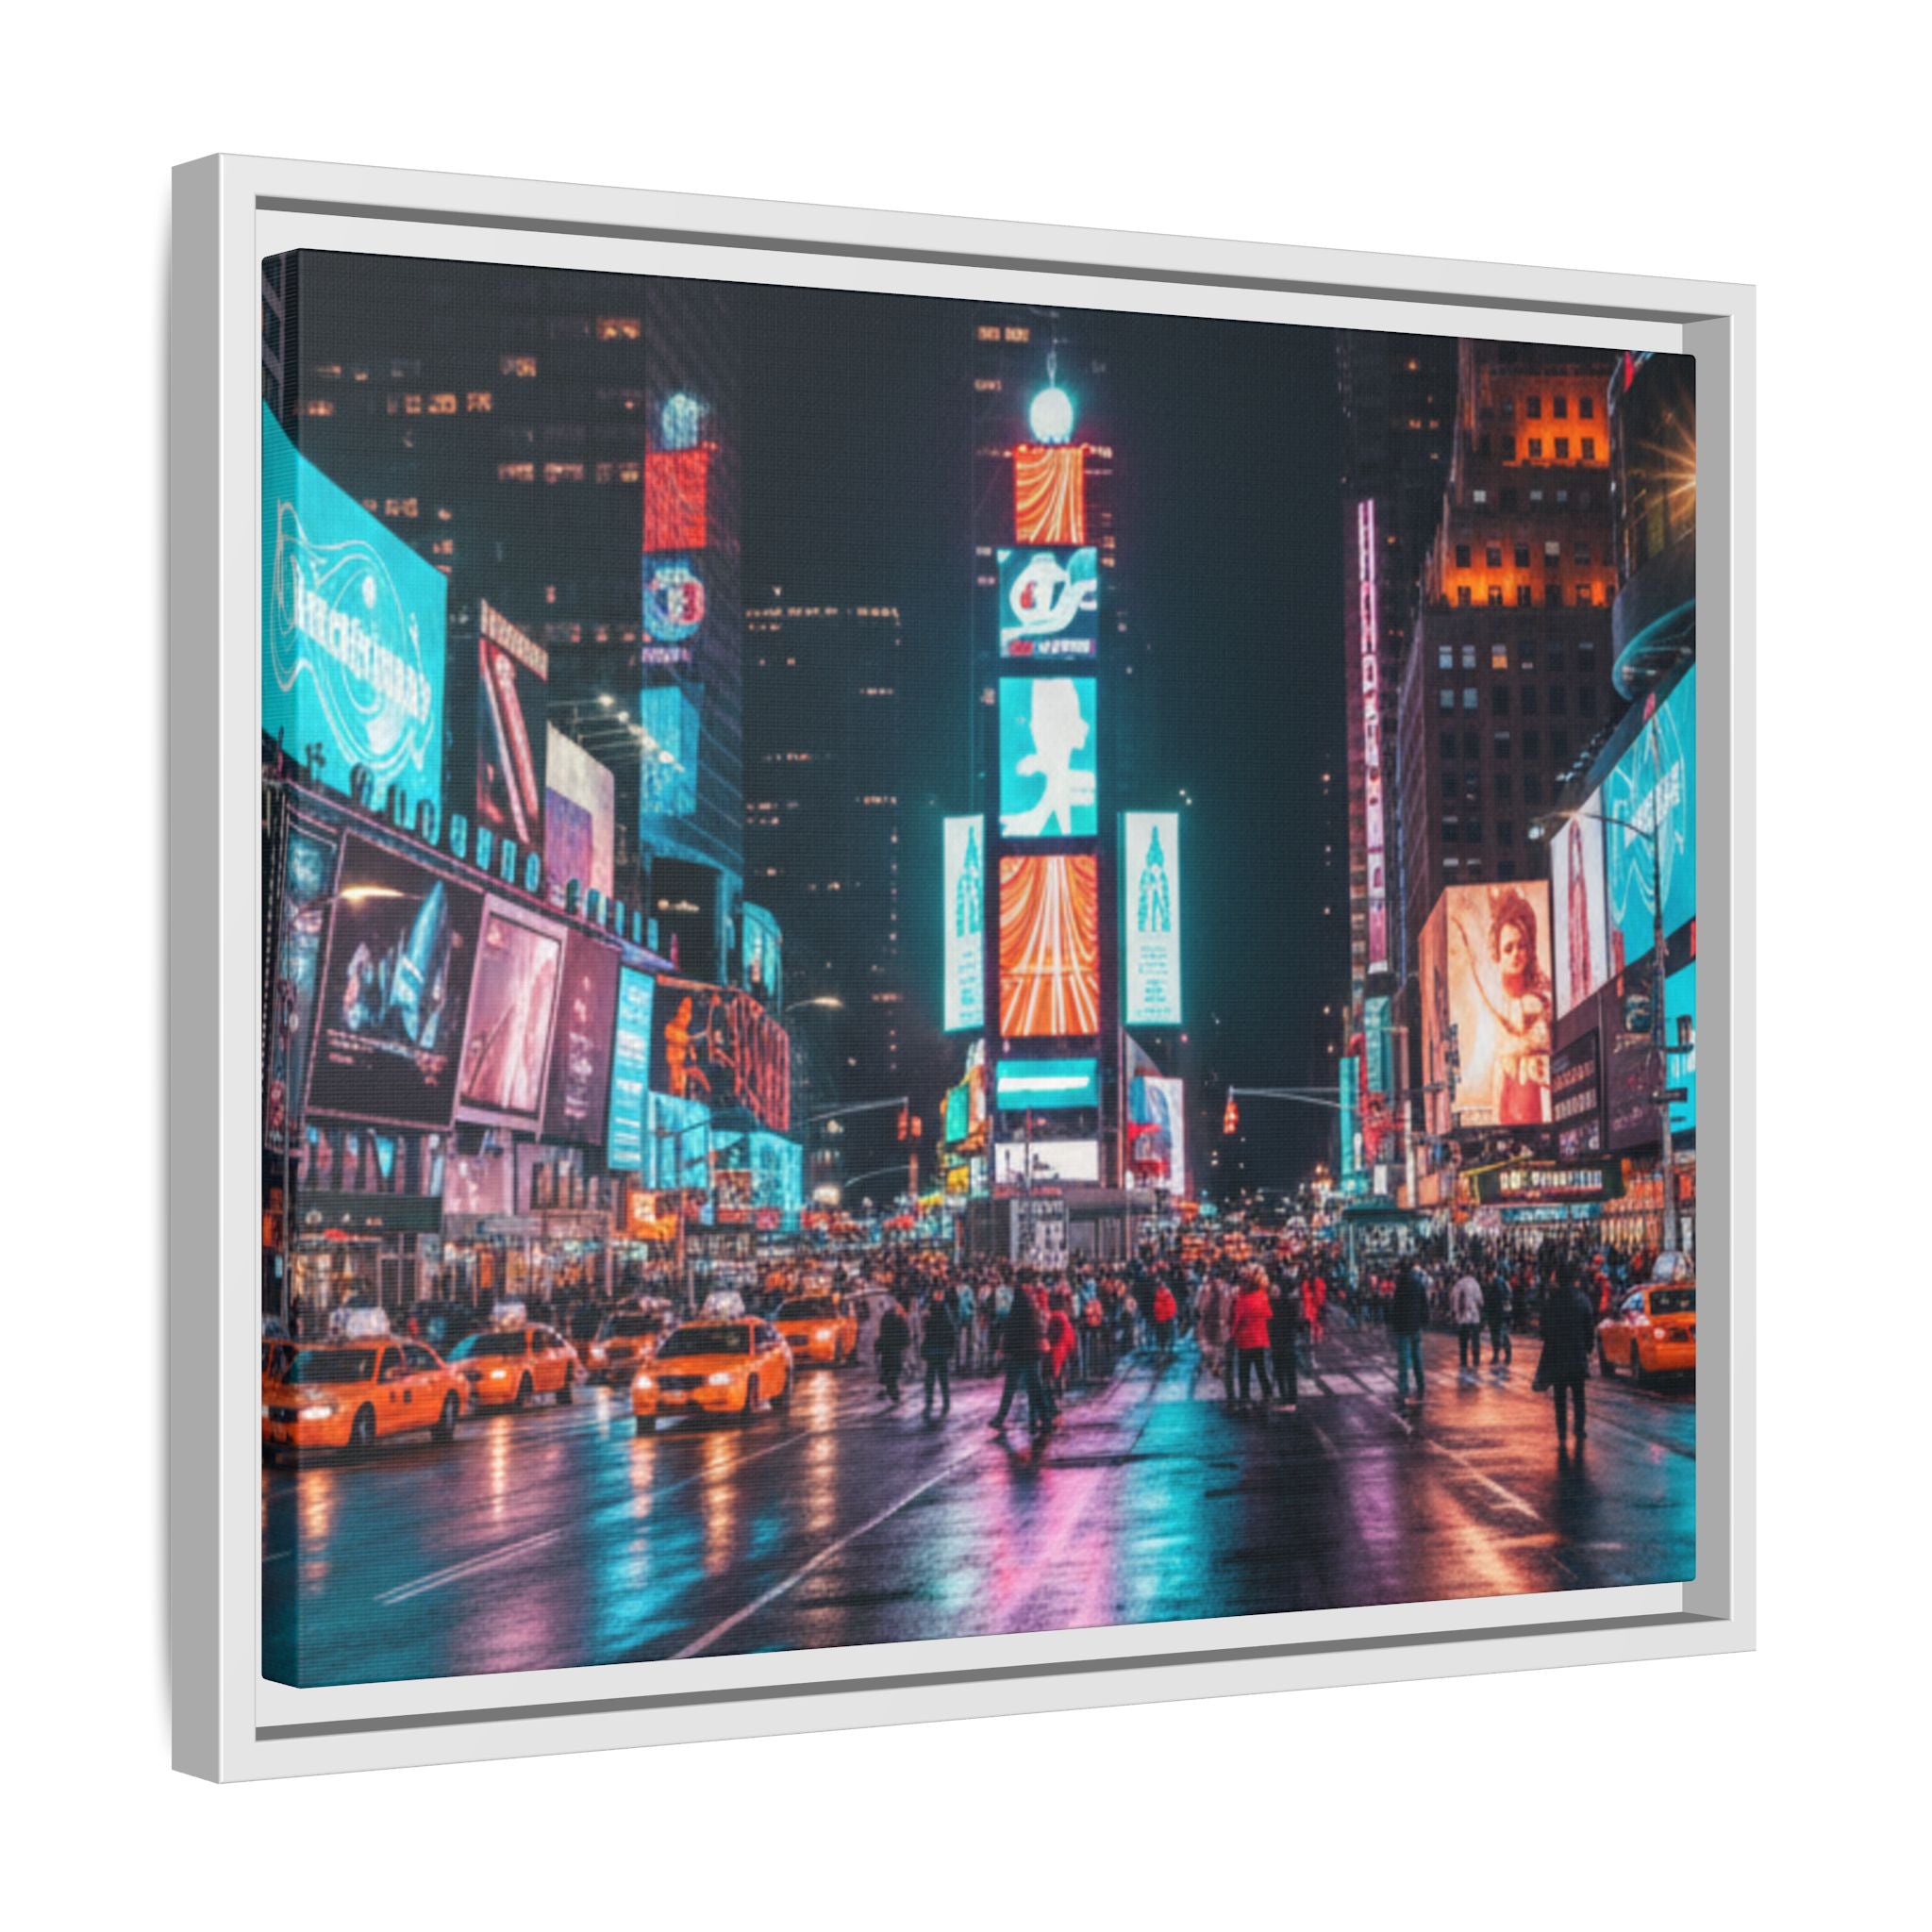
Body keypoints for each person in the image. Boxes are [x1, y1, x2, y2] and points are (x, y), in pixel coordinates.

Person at [1535, 1266, 1597, 1454]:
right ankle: (1579, 1427)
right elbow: (1589, 1326)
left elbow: (1543, 1329)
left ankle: (1561, 1430)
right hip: (1577, 1354)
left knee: (1560, 1396)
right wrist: (1588, 1347)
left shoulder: (1552, 1301)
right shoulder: (1582, 1300)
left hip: (1558, 1354)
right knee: (1579, 1394)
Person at [991, 1284, 1049, 1436]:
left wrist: (1004, 1349)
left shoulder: (1014, 1313)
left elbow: (1008, 1334)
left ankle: (1000, 1417)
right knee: (1035, 1388)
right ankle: (1045, 1418)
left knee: (1009, 1389)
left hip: (1016, 1355)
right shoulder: (1032, 1311)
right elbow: (1038, 1330)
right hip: (1031, 1354)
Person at [1229, 1269, 1274, 1411]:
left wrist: (1232, 1334)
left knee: (1244, 1371)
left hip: (1245, 1340)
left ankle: (1245, 1397)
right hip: (1259, 1339)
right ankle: (1267, 1393)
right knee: (1261, 1368)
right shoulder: (1262, 1296)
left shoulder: (1242, 1300)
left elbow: (1237, 1320)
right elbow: (1268, 1314)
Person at [1391, 1257, 1430, 1406]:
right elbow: (1424, 1304)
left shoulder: (1400, 1285)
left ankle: (1404, 1388)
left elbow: (1396, 1307)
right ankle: (1421, 1384)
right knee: (1417, 1356)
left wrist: (1393, 1324)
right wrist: (1424, 1321)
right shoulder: (1418, 1283)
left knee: (1403, 1359)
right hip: (1415, 1325)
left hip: (1402, 1326)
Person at [921, 1287, 958, 1417]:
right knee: (938, 1378)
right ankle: (941, 1402)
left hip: (936, 1349)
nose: (938, 1295)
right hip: (938, 1349)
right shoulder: (941, 1310)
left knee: (934, 1378)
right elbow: (951, 1330)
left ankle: (934, 1403)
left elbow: (949, 1331)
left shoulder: (935, 1310)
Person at [1268, 1274, 1300, 1412]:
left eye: (1276, 1291)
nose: (1273, 1293)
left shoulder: (1280, 1305)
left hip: (1283, 1342)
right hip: (1281, 1342)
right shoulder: (1289, 1304)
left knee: (1285, 1371)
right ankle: (1287, 1398)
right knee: (1283, 1372)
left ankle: (1289, 1399)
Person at [876, 1295, 910, 1406]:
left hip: (893, 1348)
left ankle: (891, 1391)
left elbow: (905, 1334)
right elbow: (886, 1332)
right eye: (903, 1310)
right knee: (895, 1369)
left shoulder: (897, 1317)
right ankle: (892, 1391)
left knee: (893, 1370)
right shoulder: (890, 1316)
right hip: (890, 1348)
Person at [1450, 1267, 1485, 1370]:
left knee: (1463, 1341)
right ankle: (1476, 1360)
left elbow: (1452, 1299)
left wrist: (1455, 1312)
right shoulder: (1475, 1284)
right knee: (1475, 1340)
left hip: (1461, 1317)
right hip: (1473, 1317)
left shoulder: (1458, 1284)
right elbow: (1480, 1300)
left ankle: (1463, 1360)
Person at [1483, 1267, 1513, 1365]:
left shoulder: (1496, 1282)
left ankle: (1499, 1355)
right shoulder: (1500, 1281)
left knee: (1499, 1334)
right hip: (1498, 1313)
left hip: (1497, 1313)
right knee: (1500, 1334)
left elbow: (1495, 1298)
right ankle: (1503, 1355)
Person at [1151, 1280, 1177, 1359]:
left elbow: (1155, 1308)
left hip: (1159, 1320)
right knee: (1168, 1335)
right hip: (1167, 1319)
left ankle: (1162, 1350)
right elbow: (1172, 1307)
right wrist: (1170, 1315)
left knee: (1160, 1337)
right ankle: (1168, 1351)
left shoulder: (1156, 1295)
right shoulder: (1168, 1295)